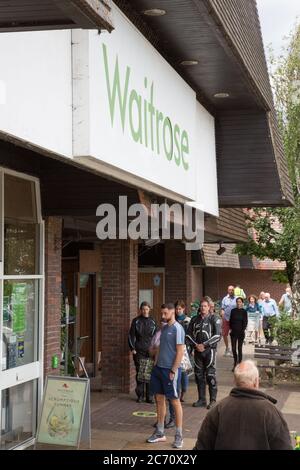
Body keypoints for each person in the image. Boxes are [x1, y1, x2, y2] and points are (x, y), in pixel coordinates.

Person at [194, 360, 292, 450]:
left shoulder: (218, 409)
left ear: (235, 382)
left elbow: (201, 447)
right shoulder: (270, 412)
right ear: (256, 381)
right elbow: (283, 446)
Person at [147, 303, 185, 449]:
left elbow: (180, 352)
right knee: (159, 399)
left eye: (165, 313)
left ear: (172, 312)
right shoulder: (164, 328)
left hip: (170, 370)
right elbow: (160, 348)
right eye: (161, 313)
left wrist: (173, 370)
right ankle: (160, 432)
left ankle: (179, 435)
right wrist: (155, 363)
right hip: (158, 369)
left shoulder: (178, 328)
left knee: (174, 401)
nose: (162, 316)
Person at [186, 299, 221, 409]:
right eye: (201, 306)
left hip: (209, 351)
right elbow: (188, 335)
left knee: (210, 376)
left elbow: (217, 336)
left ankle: (213, 400)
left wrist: (204, 345)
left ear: (209, 307)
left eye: (205, 306)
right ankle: (201, 399)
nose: (203, 308)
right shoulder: (194, 319)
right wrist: (195, 345)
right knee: (199, 376)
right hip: (197, 351)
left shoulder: (214, 318)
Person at [128, 301, 158, 403]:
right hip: (139, 350)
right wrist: (132, 349)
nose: (145, 311)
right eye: (143, 309)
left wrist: (155, 350)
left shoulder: (153, 321)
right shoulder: (136, 321)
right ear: (140, 310)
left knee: (149, 372)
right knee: (140, 372)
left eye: (147, 309)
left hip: (149, 351)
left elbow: (156, 337)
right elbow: (131, 336)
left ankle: (149, 396)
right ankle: (140, 395)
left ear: (149, 309)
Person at [149, 320, 175, 430]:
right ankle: (161, 420)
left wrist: (173, 370)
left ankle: (172, 419)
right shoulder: (158, 334)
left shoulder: (175, 331)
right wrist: (155, 351)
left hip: (169, 368)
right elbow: (151, 350)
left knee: (171, 397)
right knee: (159, 397)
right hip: (157, 366)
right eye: (162, 321)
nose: (163, 323)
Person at [175, 300, 191, 403]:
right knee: (176, 370)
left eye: (179, 309)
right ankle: (176, 391)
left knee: (184, 371)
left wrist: (190, 348)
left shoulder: (188, 320)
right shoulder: (173, 319)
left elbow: (190, 335)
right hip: (174, 347)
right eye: (176, 309)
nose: (177, 311)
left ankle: (183, 393)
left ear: (183, 309)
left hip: (185, 348)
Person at [229, 297, 248, 371]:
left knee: (239, 348)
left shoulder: (244, 311)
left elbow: (245, 322)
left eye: (240, 302)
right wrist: (231, 329)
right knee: (233, 349)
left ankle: (240, 364)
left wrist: (242, 330)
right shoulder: (233, 311)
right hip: (233, 332)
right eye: (237, 302)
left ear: (242, 303)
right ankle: (235, 363)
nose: (238, 303)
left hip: (240, 332)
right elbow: (230, 321)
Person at [220, 286, 237, 356]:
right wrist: (222, 313)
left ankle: (234, 349)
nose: (231, 291)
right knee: (224, 334)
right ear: (228, 291)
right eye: (230, 290)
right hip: (225, 318)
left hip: (234, 319)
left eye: (232, 290)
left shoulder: (237, 299)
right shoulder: (225, 299)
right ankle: (227, 348)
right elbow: (222, 308)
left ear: (234, 291)